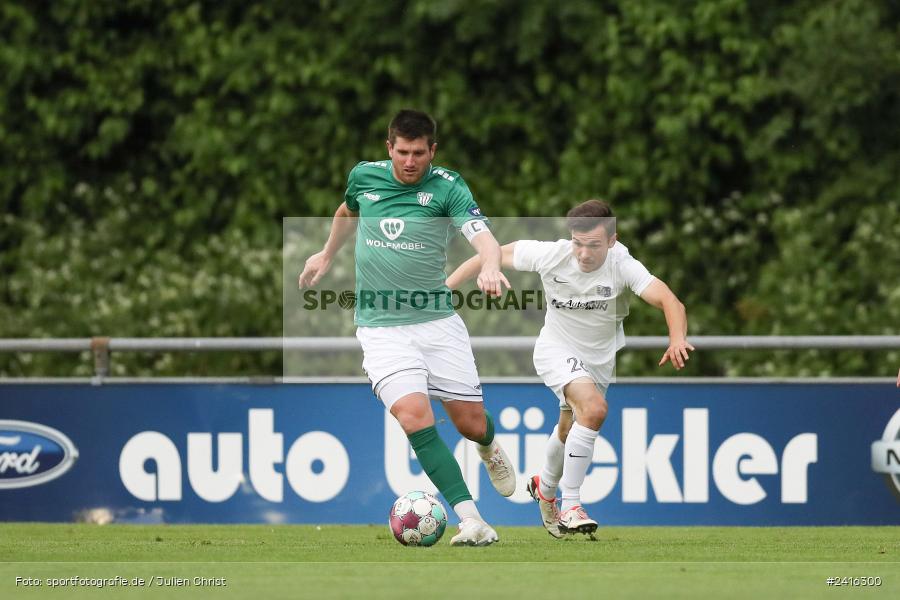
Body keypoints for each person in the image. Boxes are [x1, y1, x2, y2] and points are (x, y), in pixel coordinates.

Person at [298, 109, 515, 546]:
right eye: (402, 152)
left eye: (419, 153)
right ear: (389, 148)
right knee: (414, 417)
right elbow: (347, 210)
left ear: (432, 151)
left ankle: (489, 446)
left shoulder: (448, 187)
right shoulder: (364, 177)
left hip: (437, 325)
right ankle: (471, 519)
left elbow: (483, 237)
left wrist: (490, 266)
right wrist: (326, 254)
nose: (410, 161)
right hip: (381, 330)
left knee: (471, 424)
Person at [446, 199, 694, 537]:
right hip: (555, 350)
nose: (584, 253)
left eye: (593, 245)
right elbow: (488, 255)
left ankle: (544, 489)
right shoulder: (552, 254)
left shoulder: (623, 264)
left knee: (569, 429)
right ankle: (571, 505)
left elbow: (669, 300)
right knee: (593, 409)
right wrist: (444, 290)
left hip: (599, 361)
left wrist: (677, 338)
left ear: (612, 240)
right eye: (578, 243)